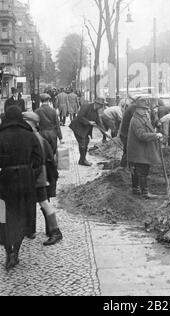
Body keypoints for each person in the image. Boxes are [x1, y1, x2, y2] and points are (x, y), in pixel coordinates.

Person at [0, 106, 42, 271]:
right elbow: (38, 161)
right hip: (25, 180)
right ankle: (15, 252)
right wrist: (31, 174)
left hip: (5, 181)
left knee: (4, 216)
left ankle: (7, 251)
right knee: (22, 215)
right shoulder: (29, 135)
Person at [23, 112, 63, 247]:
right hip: (40, 175)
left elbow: (41, 160)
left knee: (44, 203)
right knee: (42, 203)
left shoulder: (34, 137)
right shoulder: (36, 136)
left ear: (30, 122)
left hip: (39, 176)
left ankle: (55, 231)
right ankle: (34, 230)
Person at [127, 96, 164, 198]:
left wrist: (155, 136)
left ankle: (136, 189)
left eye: (147, 109)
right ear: (139, 109)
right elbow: (141, 135)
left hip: (140, 149)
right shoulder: (136, 120)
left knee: (137, 169)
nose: (147, 111)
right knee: (142, 170)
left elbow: (149, 129)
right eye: (145, 109)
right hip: (139, 150)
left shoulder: (142, 117)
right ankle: (145, 193)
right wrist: (156, 135)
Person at [69, 97, 107, 166]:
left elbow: (99, 122)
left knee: (86, 142)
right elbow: (80, 116)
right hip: (78, 127)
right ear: (96, 103)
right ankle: (83, 161)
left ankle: (82, 160)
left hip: (85, 129)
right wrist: (88, 122)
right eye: (101, 105)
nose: (101, 107)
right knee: (83, 143)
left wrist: (105, 132)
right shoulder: (86, 107)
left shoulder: (96, 111)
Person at [119, 100, 137, 168]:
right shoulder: (133, 108)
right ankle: (124, 167)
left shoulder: (132, 107)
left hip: (125, 133)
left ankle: (124, 166)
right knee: (128, 150)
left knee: (126, 150)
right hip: (126, 134)